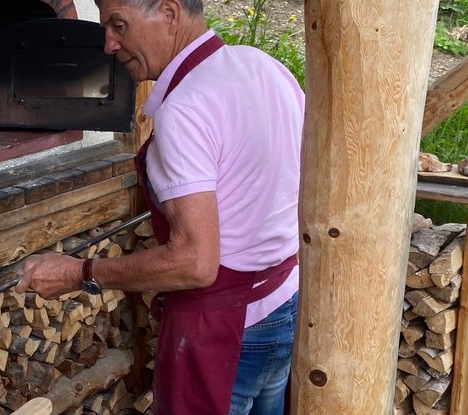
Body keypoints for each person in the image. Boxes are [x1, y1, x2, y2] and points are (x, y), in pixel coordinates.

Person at [16, 0, 305, 413]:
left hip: (222, 332)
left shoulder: (185, 109)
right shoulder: (263, 66)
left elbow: (195, 262)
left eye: (119, 25)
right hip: (284, 304)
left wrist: (79, 272)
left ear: (169, 13)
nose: (109, 45)